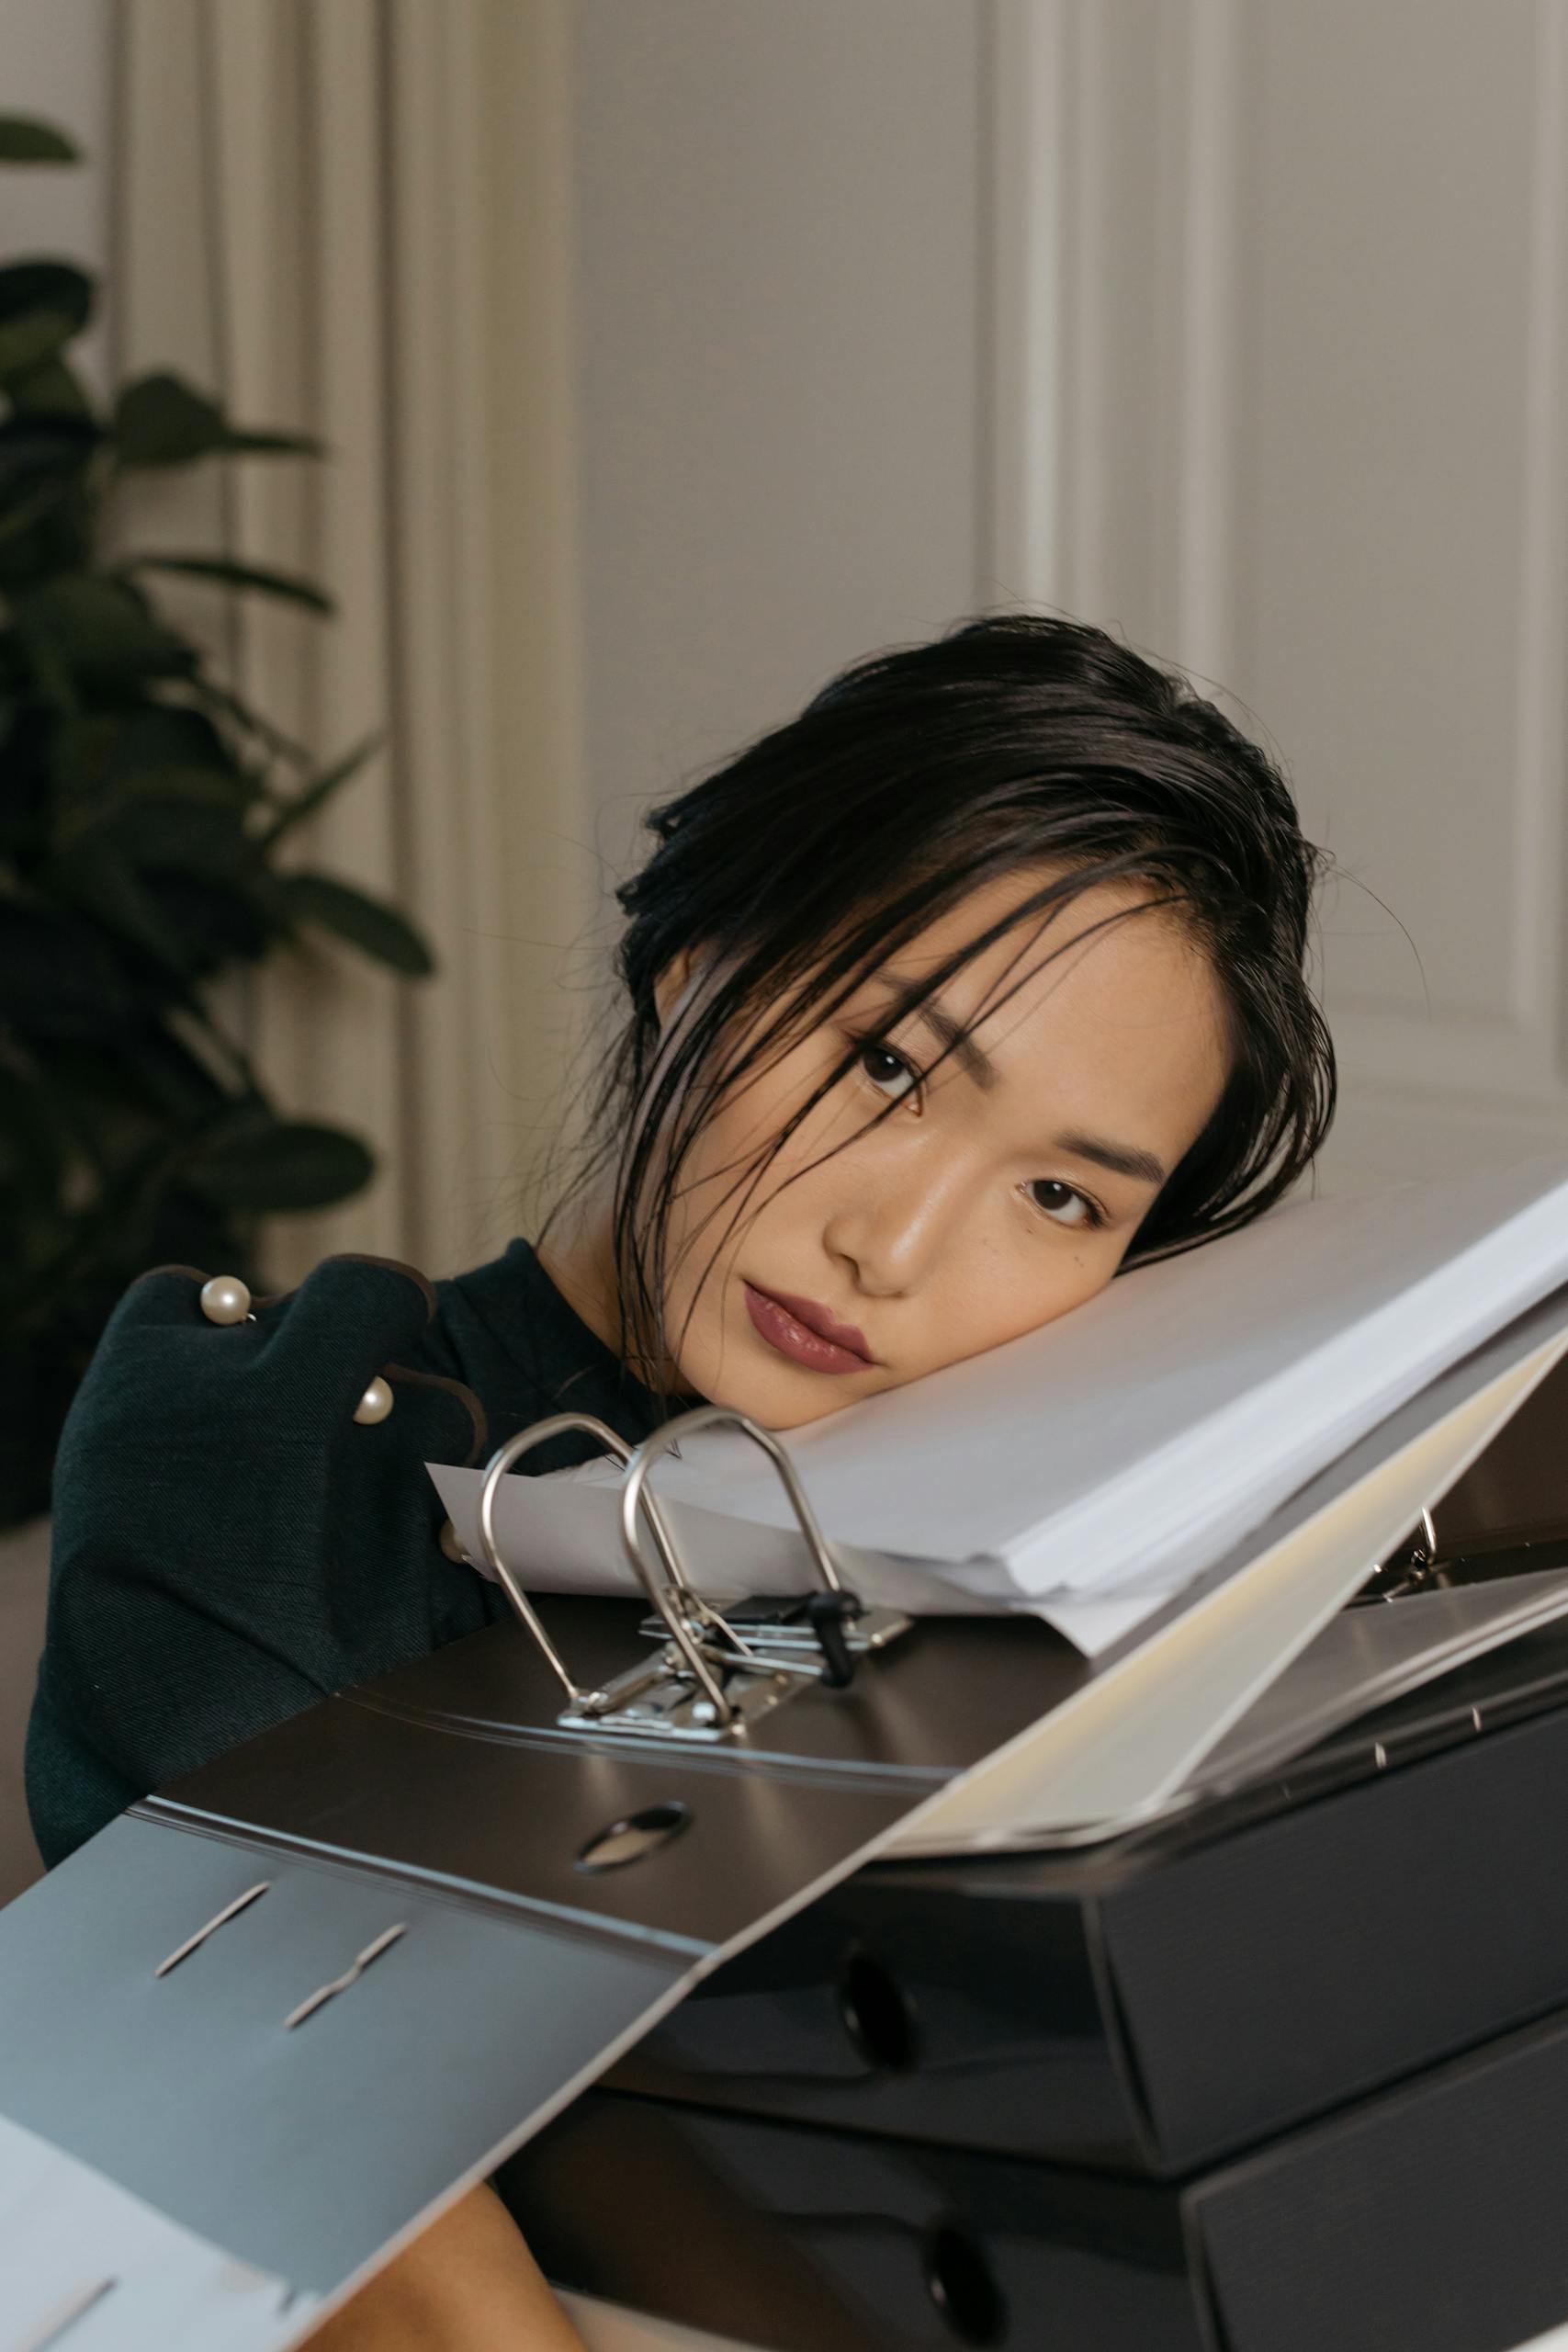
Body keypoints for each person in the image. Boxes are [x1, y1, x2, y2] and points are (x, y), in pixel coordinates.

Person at [24, 613, 1336, 2346]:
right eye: (886, 1061)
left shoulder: (1059, 1562)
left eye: (1063, 1198)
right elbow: (355, 2225)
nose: (894, 1243)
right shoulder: (269, 1453)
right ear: (703, 949)